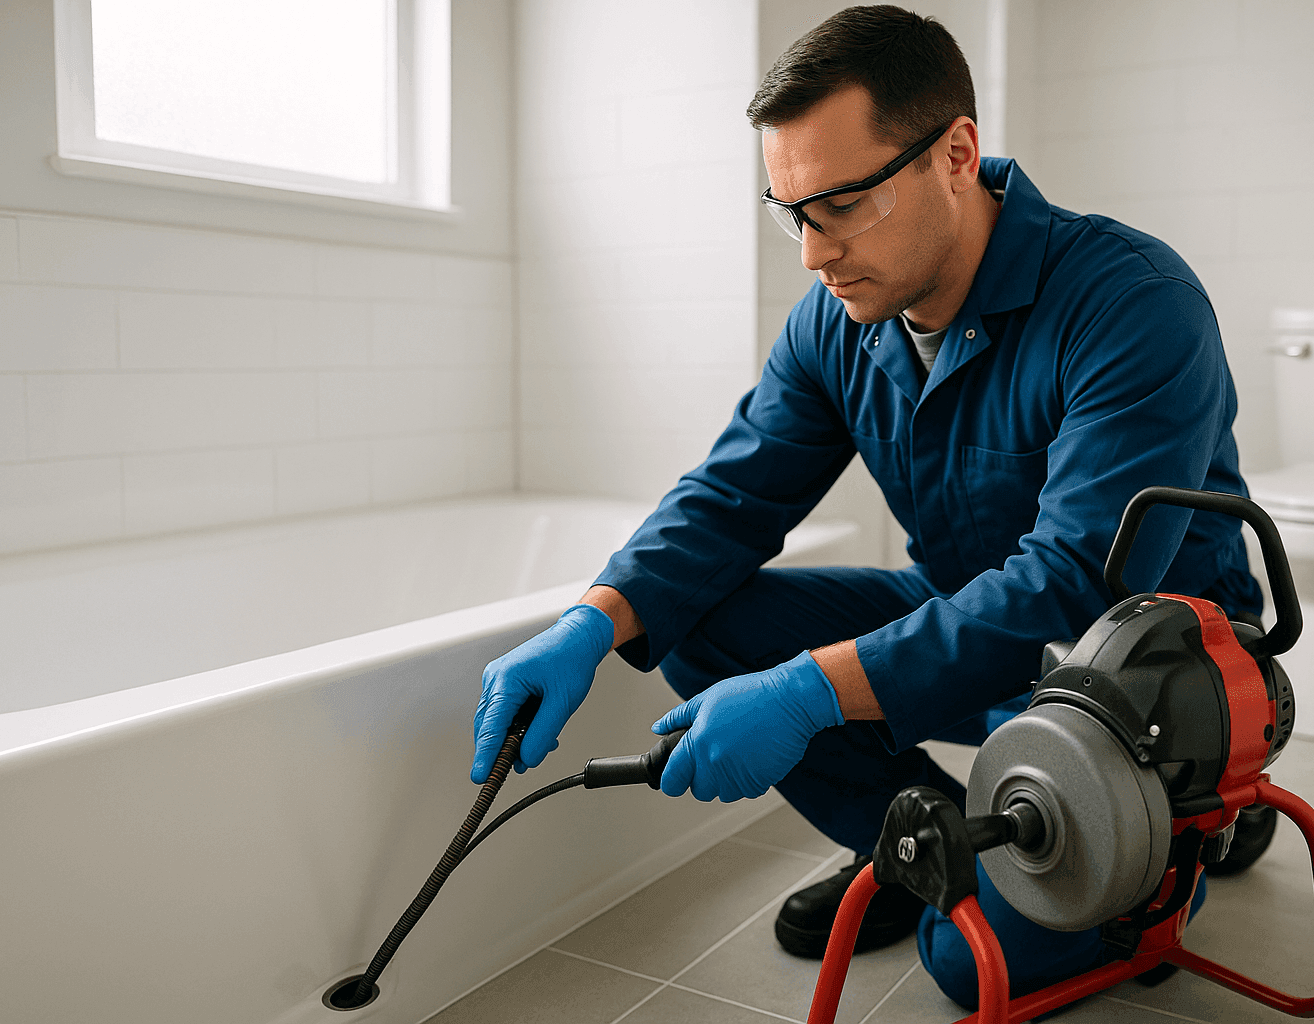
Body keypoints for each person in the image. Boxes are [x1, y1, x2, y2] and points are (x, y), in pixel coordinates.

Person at [470, 5, 1263, 1009]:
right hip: (969, 626)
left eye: (841, 203)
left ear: (956, 154)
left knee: (964, 967)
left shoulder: (1132, 302)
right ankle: (922, 835)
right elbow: (731, 493)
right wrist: (592, 619)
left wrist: (806, 693)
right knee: (701, 619)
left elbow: (1074, 582)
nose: (811, 252)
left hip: (1138, 676)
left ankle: (1189, 828)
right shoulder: (837, 321)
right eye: (790, 211)